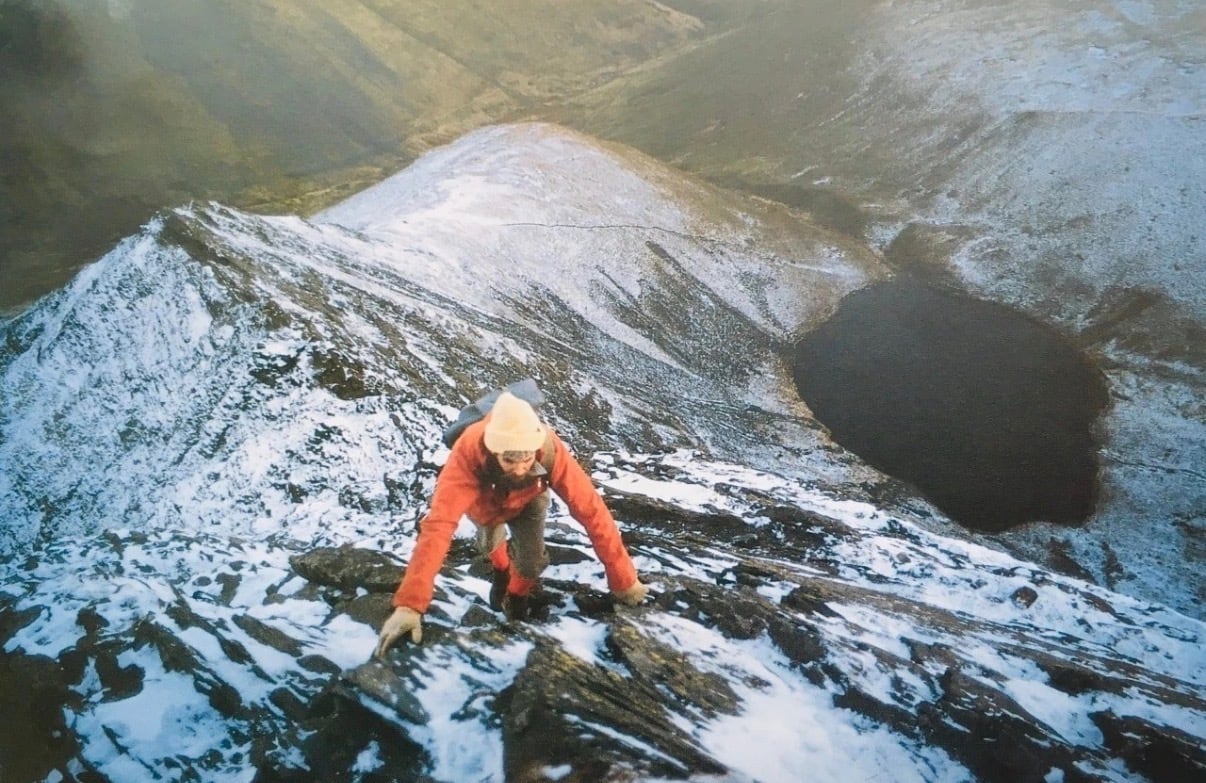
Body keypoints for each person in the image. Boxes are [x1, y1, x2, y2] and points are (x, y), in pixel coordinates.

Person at [375, 391, 649, 657]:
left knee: (531, 563)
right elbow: (438, 527)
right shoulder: (467, 455)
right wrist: (410, 605)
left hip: (530, 499)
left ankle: (516, 597)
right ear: (493, 450)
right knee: (490, 544)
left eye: (527, 459)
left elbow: (590, 509)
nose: (519, 469)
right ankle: (500, 570)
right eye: (509, 460)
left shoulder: (549, 447)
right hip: (484, 503)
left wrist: (624, 579)